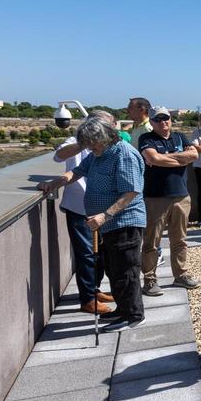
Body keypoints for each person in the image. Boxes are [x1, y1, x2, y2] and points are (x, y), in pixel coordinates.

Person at [39, 116, 147, 331]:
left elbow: (131, 191)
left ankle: (133, 315)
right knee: (113, 270)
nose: (89, 148)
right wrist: (54, 184)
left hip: (124, 221)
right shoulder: (99, 154)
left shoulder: (123, 154)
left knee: (126, 271)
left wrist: (105, 215)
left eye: (91, 144)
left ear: (104, 137)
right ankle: (122, 310)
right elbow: (75, 172)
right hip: (108, 223)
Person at [53, 114, 113, 315]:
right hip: (78, 206)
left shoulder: (109, 143)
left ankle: (94, 290)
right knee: (86, 253)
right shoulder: (75, 141)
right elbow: (59, 155)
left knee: (100, 253)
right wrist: (84, 142)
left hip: (100, 207)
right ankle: (87, 299)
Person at [138, 108, 201, 295]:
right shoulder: (146, 139)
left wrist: (163, 159)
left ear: (170, 119)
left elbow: (194, 156)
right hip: (156, 197)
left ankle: (180, 275)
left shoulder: (180, 136)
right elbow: (153, 158)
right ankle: (149, 280)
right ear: (152, 122)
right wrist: (180, 159)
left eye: (165, 118)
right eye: (158, 119)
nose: (163, 121)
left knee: (179, 239)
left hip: (181, 196)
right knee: (152, 241)